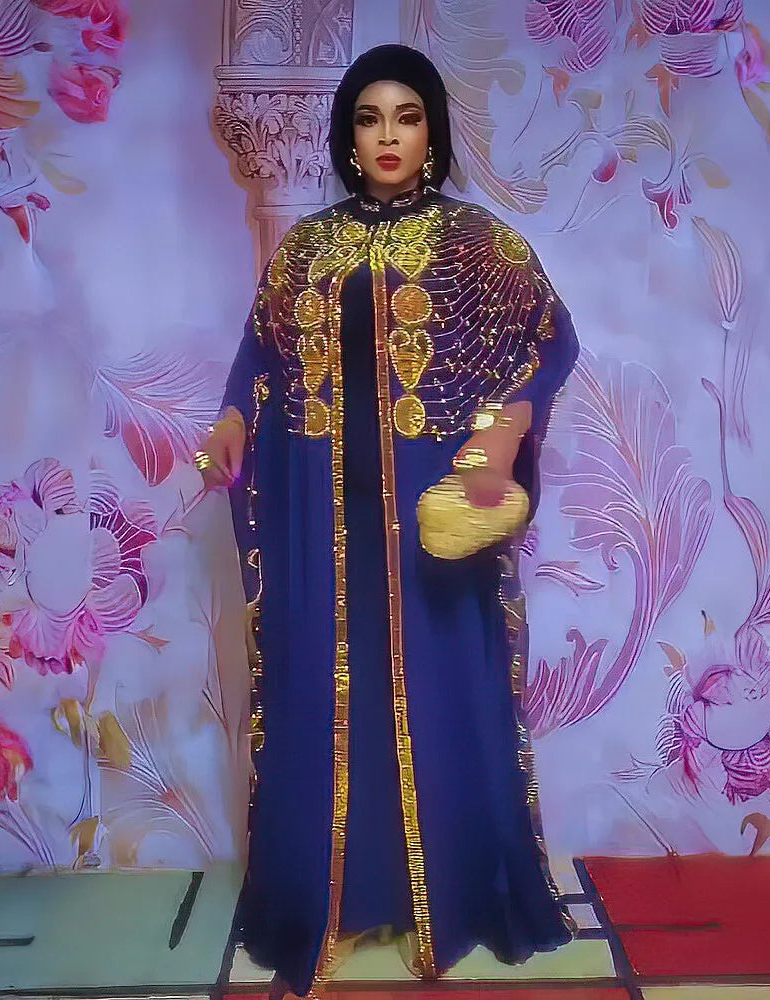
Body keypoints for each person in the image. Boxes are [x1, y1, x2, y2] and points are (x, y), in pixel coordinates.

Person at [196, 43, 580, 999]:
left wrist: (504, 432)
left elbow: (550, 342)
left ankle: (448, 898)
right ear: (348, 136)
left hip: (426, 521)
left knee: (439, 689)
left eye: (406, 117)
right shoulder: (308, 248)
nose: (388, 137)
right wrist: (233, 418)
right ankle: (334, 900)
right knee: (328, 689)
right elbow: (258, 354)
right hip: (319, 518)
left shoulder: (474, 243)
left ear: (433, 131)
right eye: (370, 119)